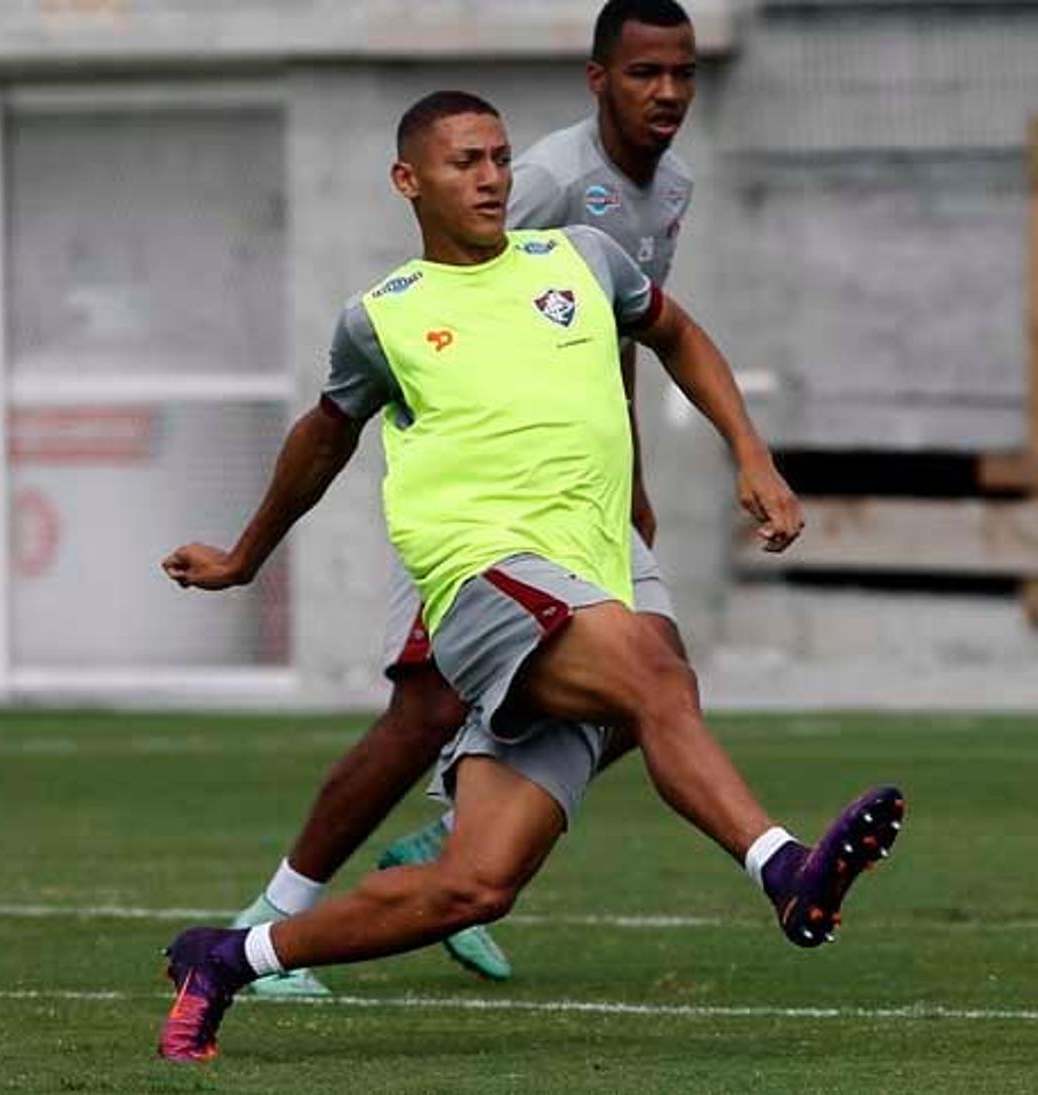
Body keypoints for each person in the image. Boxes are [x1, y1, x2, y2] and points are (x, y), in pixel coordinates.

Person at [154, 90, 905, 1064]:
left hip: (586, 575)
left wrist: (750, 454)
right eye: (466, 161)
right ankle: (785, 870)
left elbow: (674, 334)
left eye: (501, 158)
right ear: (407, 181)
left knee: (475, 885)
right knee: (653, 672)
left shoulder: (580, 262)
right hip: (481, 576)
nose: (492, 177)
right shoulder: (385, 317)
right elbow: (322, 438)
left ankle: (231, 958)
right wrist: (243, 558)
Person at [223, 0, 709, 996]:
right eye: (643, 73)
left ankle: (450, 840)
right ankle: (277, 911)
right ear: (597, 79)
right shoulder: (539, 185)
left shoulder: (671, 189)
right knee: (423, 711)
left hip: (568, 500)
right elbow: (467, 308)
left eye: (683, 73)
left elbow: (587, 340)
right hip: (476, 516)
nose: (666, 94)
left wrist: (629, 482)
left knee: (655, 679)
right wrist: (246, 554)